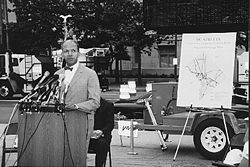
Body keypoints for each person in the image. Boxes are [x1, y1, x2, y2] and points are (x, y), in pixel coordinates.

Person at [55, 39, 101, 165]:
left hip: (81, 124)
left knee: (77, 161)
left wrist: (75, 107)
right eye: (66, 51)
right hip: (57, 125)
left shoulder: (90, 74)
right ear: (62, 54)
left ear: (79, 53)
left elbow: (95, 102)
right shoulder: (57, 74)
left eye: (73, 51)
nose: (70, 54)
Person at [88, 98, 114, 167]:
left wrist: (101, 131)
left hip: (101, 136)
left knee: (102, 143)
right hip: (86, 135)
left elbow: (110, 124)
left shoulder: (107, 105)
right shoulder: (84, 104)